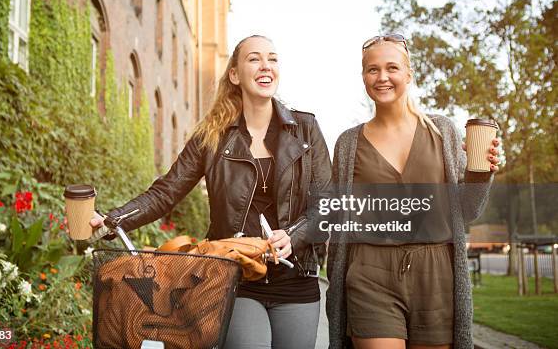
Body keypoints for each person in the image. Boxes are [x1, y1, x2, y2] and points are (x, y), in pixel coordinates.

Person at [85, 35, 332, 349]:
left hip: (297, 277)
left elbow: (327, 204)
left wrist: (293, 236)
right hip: (234, 274)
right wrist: (112, 219)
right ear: (234, 74)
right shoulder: (212, 136)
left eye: (272, 58)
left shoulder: (306, 128)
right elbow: (166, 192)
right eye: (254, 58)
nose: (265, 65)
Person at [326, 34, 501, 349]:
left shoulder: (443, 131)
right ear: (363, 76)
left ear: (409, 74)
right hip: (370, 271)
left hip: (435, 274)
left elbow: (467, 210)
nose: (382, 77)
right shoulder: (348, 143)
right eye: (372, 69)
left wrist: (481, 173)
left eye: (392, 67)